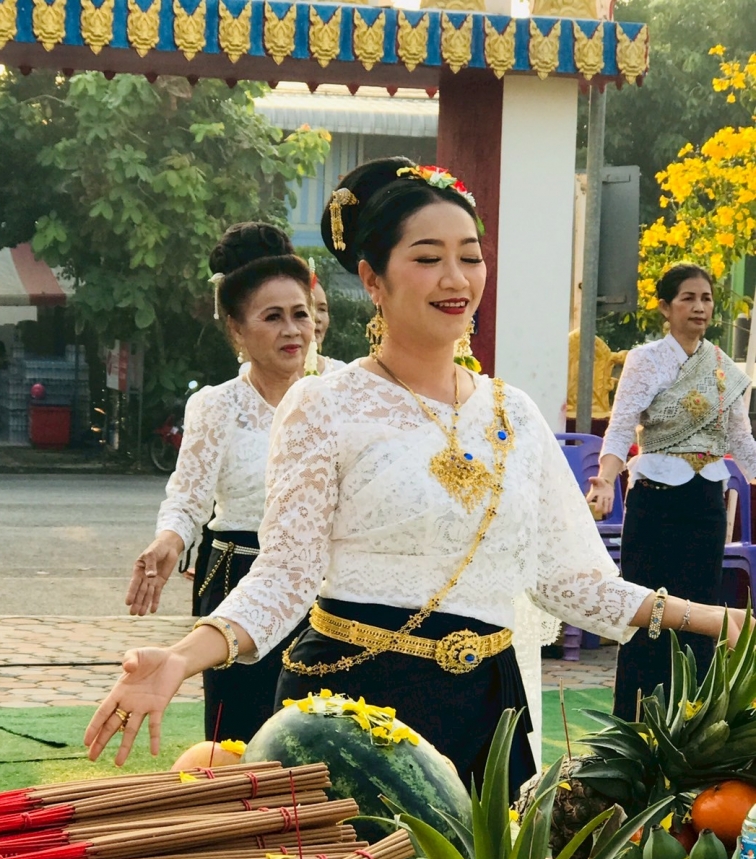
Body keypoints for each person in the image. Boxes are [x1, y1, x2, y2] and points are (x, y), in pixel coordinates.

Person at [89, 161, 749, 786]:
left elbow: (567, 580)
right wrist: (181, 656)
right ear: (373, 280)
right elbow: (285, 577)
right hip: (351, 711)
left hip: (487, 711)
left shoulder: (514, 413)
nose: (456, 279)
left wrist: (721, 620)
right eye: (428, 258)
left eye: (470, 256)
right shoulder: (325, 404)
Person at [125, 221, 341, 743]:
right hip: (236, 577)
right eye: (272, 317)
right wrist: (168, 540)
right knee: (239, 737)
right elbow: (188, 498)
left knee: (325, 735)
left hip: (328, 584)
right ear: (237, 330)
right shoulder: (216, 406)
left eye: (301, 315)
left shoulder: (345, 388)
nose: (293, 330)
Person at [587, 262, 756, 720]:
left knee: (702, 615)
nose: (699, 307)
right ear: (665, 307)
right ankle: (637, 726)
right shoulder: (646, 359)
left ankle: (690, 726)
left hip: (706, 505)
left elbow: (741, 440)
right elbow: (622, 424)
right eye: (688, 298)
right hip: (656, 500)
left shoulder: (722, 367)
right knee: (651, 614)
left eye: (706, 299)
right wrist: (605, 478)